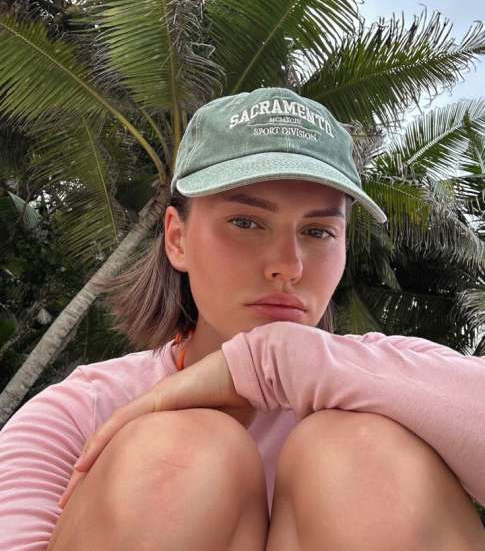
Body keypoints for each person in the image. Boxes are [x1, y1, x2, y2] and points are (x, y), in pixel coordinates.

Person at [0, 88, 484, 551]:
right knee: (177, 453)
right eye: (246, 222)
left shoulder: (392, 374)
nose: (288, 266)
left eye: (318, 231)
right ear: (177, 239)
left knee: (359, 448)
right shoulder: (79, 412)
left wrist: (274, 362)